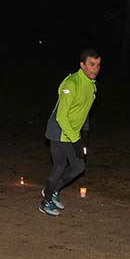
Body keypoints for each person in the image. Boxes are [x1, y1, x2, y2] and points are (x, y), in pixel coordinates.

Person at [39, 48, 101, 217]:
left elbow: (84, 111)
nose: (95, 69)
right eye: (91, 64)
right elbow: (61, 116)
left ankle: (53, 191)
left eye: (98, 65)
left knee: (79, 166)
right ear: (82, 65)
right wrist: (76, 140)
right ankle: (46, 202)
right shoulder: (71, 84)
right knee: (60, 166)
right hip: (58, 130)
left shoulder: (92, 85)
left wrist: (85, 136)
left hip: (73, 132)